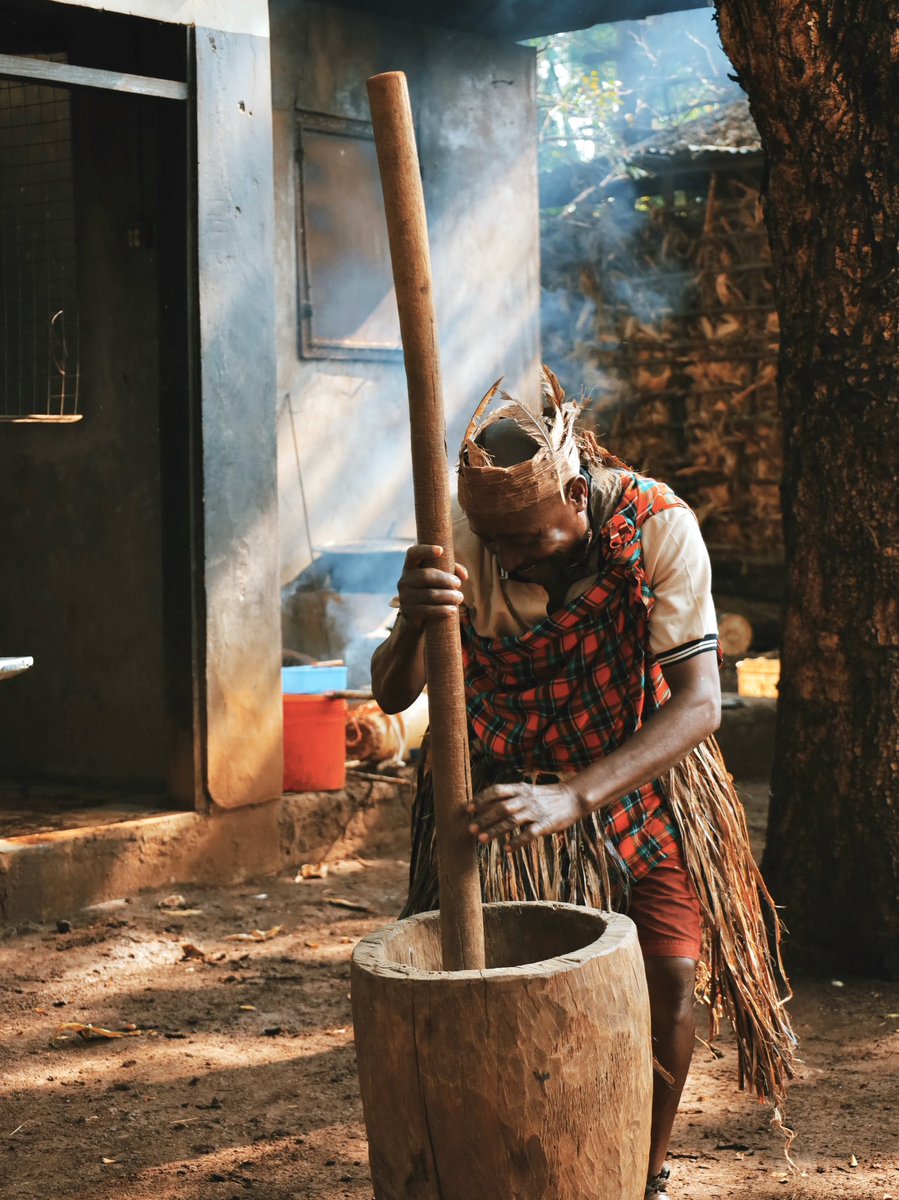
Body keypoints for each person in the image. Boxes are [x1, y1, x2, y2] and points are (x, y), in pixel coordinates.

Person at [372, 368, 796, 1198]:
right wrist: (417, 615)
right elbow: (393, 693)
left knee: (670, 980)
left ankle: (642, 1172)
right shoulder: (461, 541)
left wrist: (573, 797)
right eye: (495, 544)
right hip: (500, 783)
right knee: (493, 996)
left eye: (530, 541)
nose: (511, 561)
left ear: (574, 489)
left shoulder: (658, 526)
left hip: (640, 766)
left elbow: (700, 705)